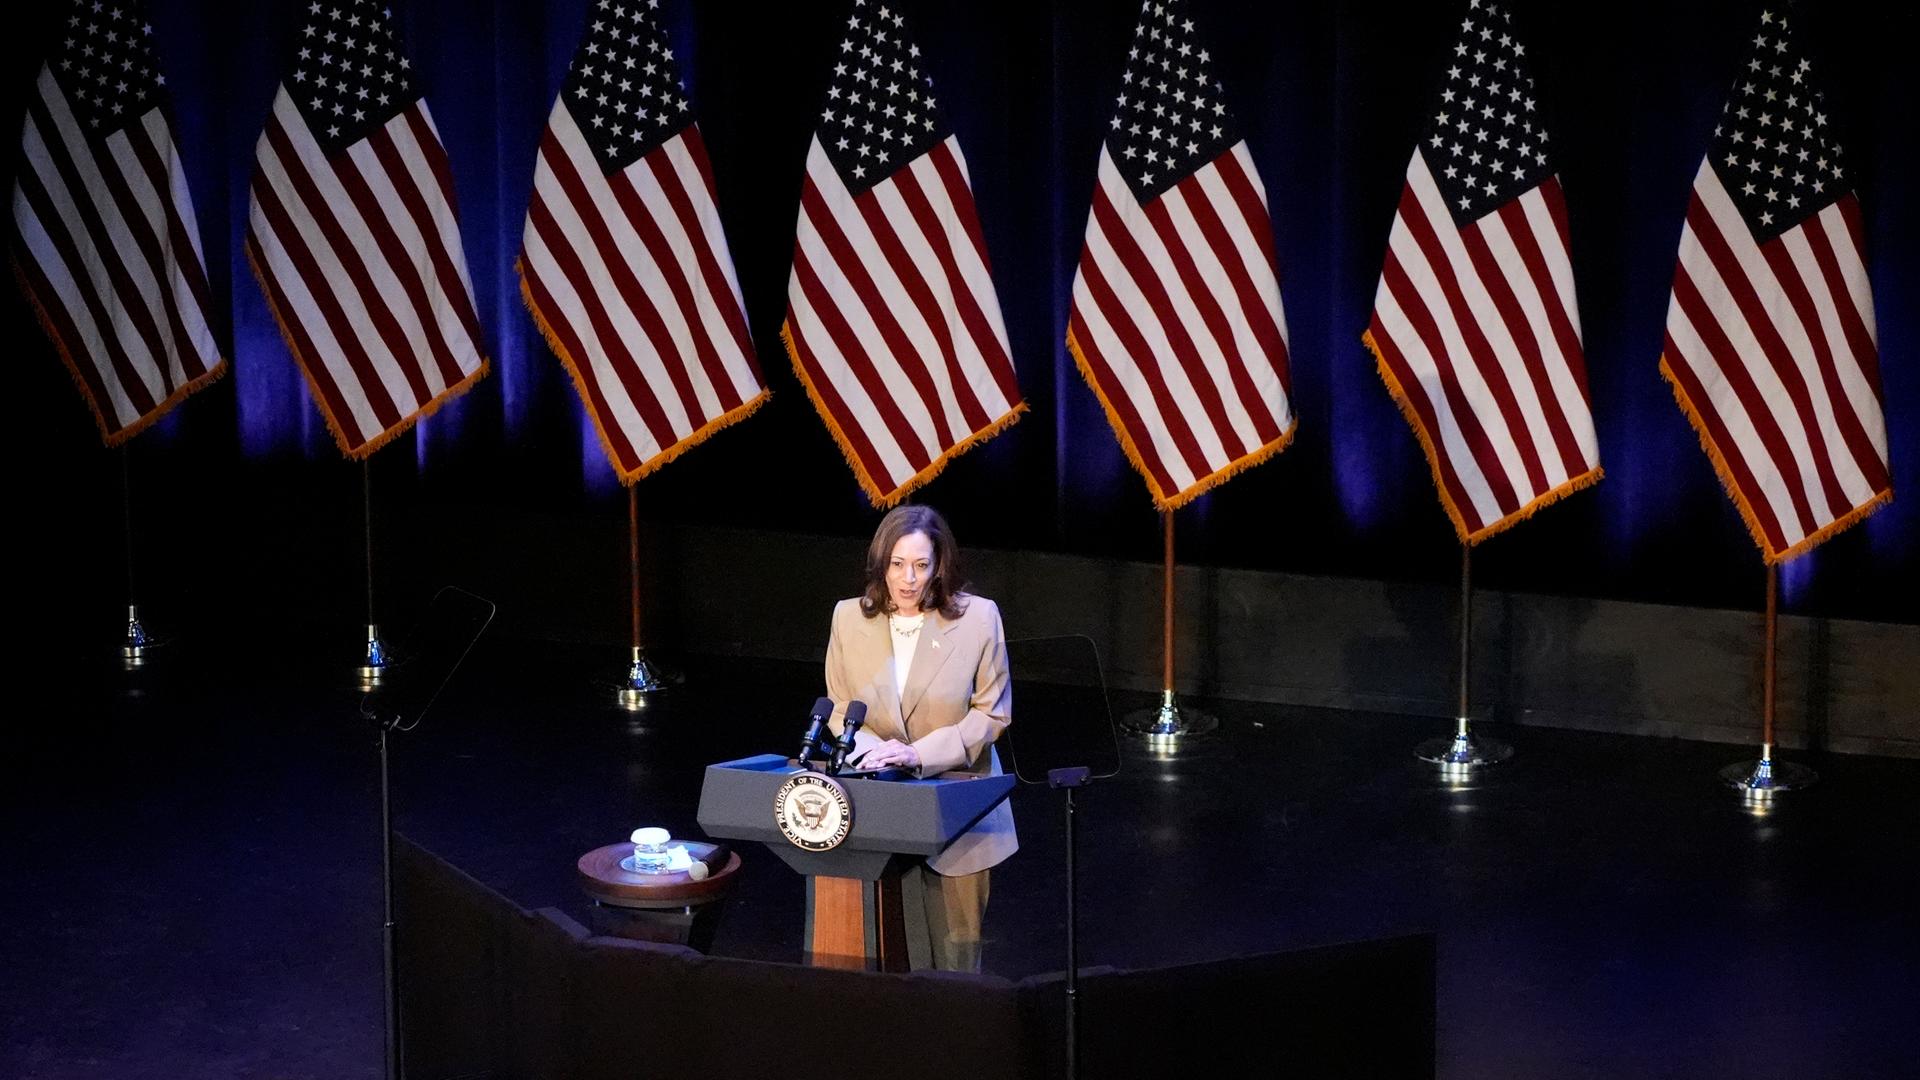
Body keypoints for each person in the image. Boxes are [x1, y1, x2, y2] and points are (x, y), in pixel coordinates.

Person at [823, 504, 1014, 973]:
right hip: (877, 811)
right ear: (881, 563)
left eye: (921, 565)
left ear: (939, 566)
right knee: (885, 954)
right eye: (897, 564)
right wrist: (876, 755)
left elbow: (992, 713)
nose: (909, 578)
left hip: (959, 808)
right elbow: (840, 709)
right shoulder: (848, 618)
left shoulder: (979, 619)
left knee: (955, 960)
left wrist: (917, 754)